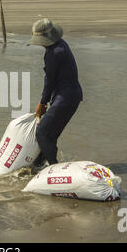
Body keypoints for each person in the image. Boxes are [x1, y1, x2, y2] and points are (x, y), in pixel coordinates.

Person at [27, 18, 83, 168]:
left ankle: (54, 167)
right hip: (71, 96)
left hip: (65, 98)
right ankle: (39, 165)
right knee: (50, 135)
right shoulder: (61, 44)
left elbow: (49, 81)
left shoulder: (54, 53)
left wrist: (42, 103)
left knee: (41, 133)